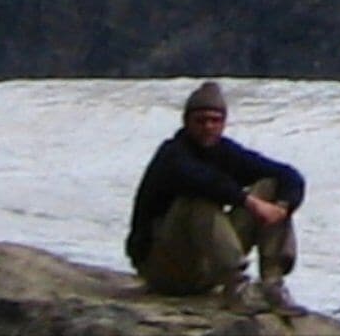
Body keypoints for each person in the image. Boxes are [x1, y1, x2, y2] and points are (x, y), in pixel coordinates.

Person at [127, 81, 304, 308]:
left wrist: (282, 207)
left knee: (270, 186)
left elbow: (288, 175)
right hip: (165, 267)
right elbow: (203, 181)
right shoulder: (172, 155)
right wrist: (250, 203)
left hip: (206, 267)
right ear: (187, 122)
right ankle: (236, 285)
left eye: (215, 120)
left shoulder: (225, 152)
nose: (208, 127)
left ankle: (272, 282)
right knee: (197, 199)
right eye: (201, 121)